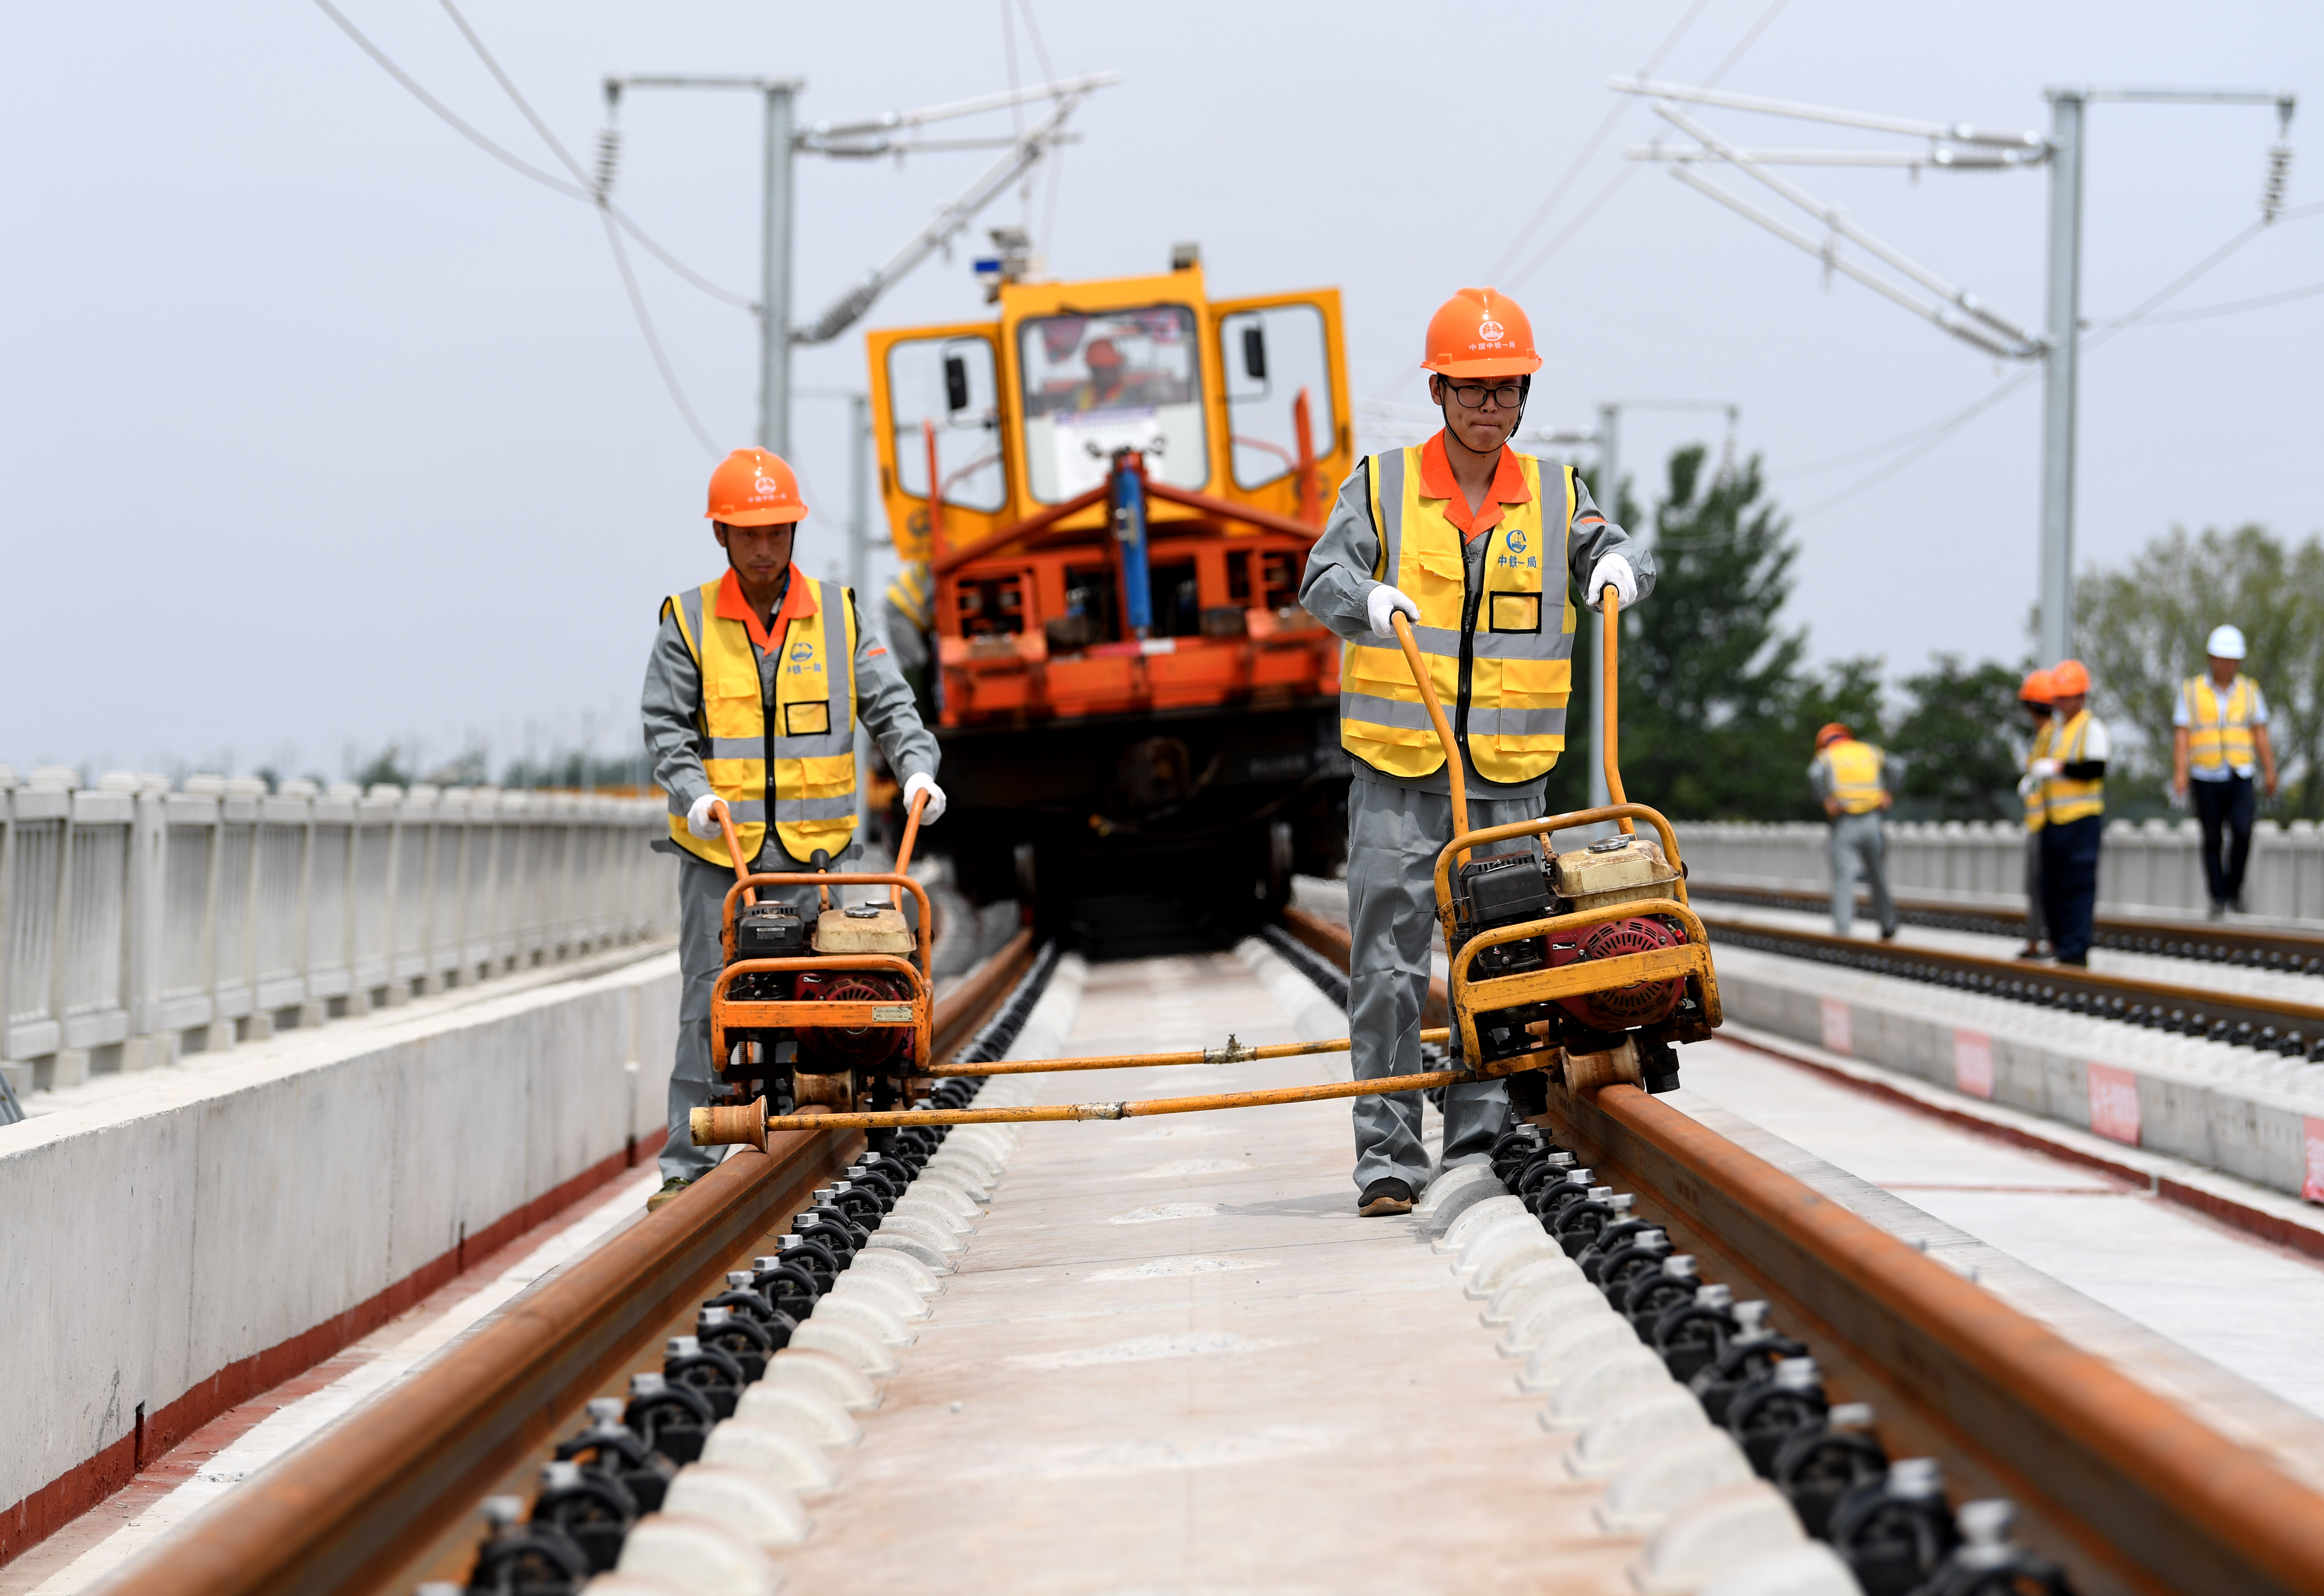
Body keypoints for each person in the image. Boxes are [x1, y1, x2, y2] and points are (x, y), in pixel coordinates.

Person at [1298, 286, 1655, 1218]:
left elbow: (1610, 550)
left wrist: (1620, 566)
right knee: (1386, 963)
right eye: (1472, 388)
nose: (1489, 405)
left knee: (1498, 963)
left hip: (1508, 772)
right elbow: (1323, 574)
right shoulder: (1380, 485)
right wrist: (1364, 600)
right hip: (1399, 771)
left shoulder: (1553, 494)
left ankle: (1479, 1142)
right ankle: (1386, 1158)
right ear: (1440, 390)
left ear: (1523, 396)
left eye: (1506, 388)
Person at [641, 448, 946, 1210]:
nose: (765, 546)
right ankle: (686, 1168)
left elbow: (892, 707)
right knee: (711, 1002)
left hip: (825, 861)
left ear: (793, 531)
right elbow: (666, 732)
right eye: (748, 532)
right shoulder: (687, 622)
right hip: (726, 857)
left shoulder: (840, 614)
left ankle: (863, 1113)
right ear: (720, 535)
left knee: (849, 993)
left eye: (778, 529)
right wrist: (695, 792)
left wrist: (916, 769)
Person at [2172, 623, 2278, 919]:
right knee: (2212, 838)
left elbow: (2260, 732)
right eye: (2223, 659)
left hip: (2240, 772)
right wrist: (2180, 772)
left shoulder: (2250, 690)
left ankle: (2234, 890)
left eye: (2234, 660)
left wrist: (2270, 770)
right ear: (2211, 659)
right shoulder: (2192, 690)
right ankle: (2218, 897)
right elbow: (2182, 734)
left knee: (2243, 831)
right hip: (2205, 774)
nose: (2228, 665)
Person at [2033, 659, 2106, 966]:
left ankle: (2075, 950)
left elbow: (2095, 768)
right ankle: (2060, 944)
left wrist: (2059, 768)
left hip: (2082, 820)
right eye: (2057, 697)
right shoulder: (2056, 731)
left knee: (2078, 886)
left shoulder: (2092, 728)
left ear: (2081, 696)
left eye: (2065, 696)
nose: (2059, 702)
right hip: (2055, 821)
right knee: (2052, 886)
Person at [1808, 723, 1897, 939]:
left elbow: (1813, 774)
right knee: (1878, 874)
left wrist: (1825, 800)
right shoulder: (1870, 751)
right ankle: (1888, 925)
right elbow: (1899, 767)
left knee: (1844, 876)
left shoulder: (1828, 755)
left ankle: (1843, 929)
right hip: (1873, 820)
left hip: (1845, 820)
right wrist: (1889, 792)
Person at [2014, 669, 2055, 959]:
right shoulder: (2045, 736)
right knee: (2037, 884)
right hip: (2042, 821)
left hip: (2048, 823)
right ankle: (2036, 941)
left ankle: (2047, 942)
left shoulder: (2051, 736)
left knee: (2041, 884)